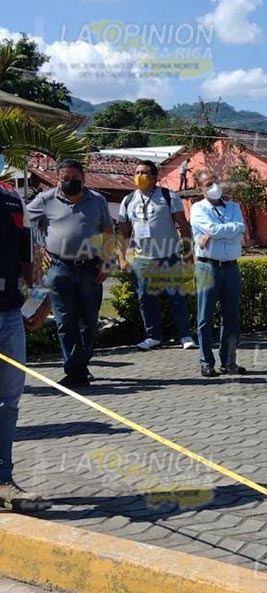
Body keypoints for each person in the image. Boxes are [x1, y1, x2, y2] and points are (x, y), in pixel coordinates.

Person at [25, 159, 115, 388]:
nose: (69, 182)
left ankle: (81, 365)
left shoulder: (97, 201)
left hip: (90, 268)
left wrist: (107, 262)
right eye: (65, 179)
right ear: (58, 179)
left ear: (83, 178)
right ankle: (75, 370)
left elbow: (107, 231)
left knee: (89, 322)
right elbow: (25, 221)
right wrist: (37, 246)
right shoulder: (44, 200)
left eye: (74, 178)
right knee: (65, 321)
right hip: (59, 267)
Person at [0, 150, 51, 512]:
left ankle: (4, 481)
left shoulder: (9, 196)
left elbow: (26, 258)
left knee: (9, 402)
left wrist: (41, 299)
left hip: (8, 314)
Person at [117, 160, 197, 351]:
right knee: (146, 299)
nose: (139, 176)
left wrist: (187, 251)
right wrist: (121, 257)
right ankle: (152, 336)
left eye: (143, 172)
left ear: (154, 177)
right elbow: (123, 233)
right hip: (142, 259)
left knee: (176, 297)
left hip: (168, 256)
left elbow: (183, 226)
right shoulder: (128, 200)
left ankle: (185, 335)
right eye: (136, 172)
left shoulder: (168, 196)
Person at [190, 169, 247, 378]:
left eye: (215, 182)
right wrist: (221, 231)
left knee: (231, 317)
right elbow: (214, 229)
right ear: (200, 189)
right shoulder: (197, 209)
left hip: (231, 267)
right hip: (208, 267)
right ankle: (206, 362)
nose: (214, 187)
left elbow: (240, 228)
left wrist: (215, 233)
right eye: (208, 184)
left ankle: (229, 361)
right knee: (205, 317)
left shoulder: (233, 207)